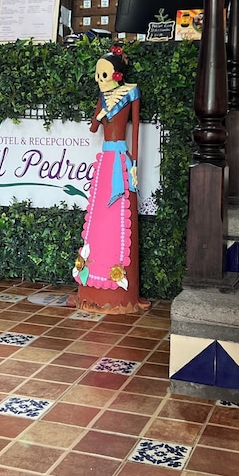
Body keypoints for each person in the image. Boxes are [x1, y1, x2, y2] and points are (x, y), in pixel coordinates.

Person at [70, 46, 150, 315]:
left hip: (120, 160)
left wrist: (134, 163)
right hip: (105, 160)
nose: (99, 80)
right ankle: (91, 280)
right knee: (98, 216)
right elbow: (94, 127)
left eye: (103, 74)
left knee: (120, 219)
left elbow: (134, 131)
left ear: (117, 74)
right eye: (97, 75)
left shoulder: (131, 93)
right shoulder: (103, 99)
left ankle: (120, 288)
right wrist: (100, 115)